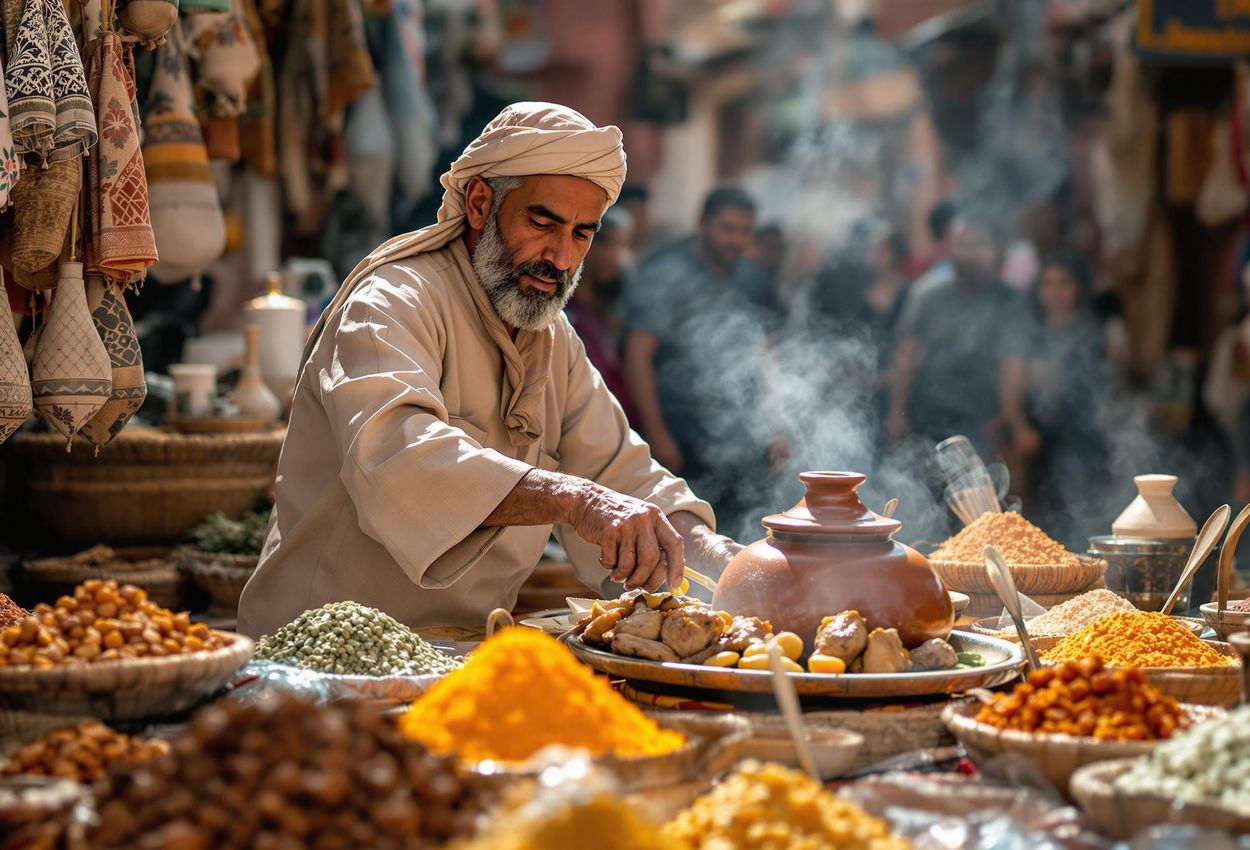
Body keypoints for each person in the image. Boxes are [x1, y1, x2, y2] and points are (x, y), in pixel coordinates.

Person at [238, 103, 742, 637]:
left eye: (582, 234)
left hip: (461, 656)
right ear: (480, 203)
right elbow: (398, 452)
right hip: (314, 653)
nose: (561, 258)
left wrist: (728, 562)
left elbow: (625, 477)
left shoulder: (554, 341)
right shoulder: (392, 300)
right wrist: (576, 500)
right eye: (542, 222)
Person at [621, 186, 778, 541]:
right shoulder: (664, 277)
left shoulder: (752, 279)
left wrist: (775, 425)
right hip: (683, 442)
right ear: (702, 224)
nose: (735, 240)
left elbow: (765, 354)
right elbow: (637, 355)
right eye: (727, 228)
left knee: (748, 538)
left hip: (743, 441)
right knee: (691, 540)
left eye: (744, 231)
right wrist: (658, 435)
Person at [885, 213, 1029, 457]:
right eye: (962, 244)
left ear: (996, 249)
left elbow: (1011, 363)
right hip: (926, 412)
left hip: (981, 419)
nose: (969, 254)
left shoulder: (1009, 301)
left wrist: (1009, 418)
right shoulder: (926, 294)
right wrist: (895, 413)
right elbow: (906, 355)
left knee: (976, 492)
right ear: (949, 248)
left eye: (978, 244)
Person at [1003, 252, 1109, 548]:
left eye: (1064, 283)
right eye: (1048, 283)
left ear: (1078, 289)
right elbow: (1010, 385)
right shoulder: (1028, 334)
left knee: (1082, 509)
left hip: (1084, 438)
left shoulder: (1091, 332)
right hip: (1038, 439)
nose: (1056, 291)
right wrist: (1019, 426)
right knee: (1042, 515)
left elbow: (1108, 389)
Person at [565, 206, 638, 425]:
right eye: (608, 244)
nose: (615, 256)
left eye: (621, 246)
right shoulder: (565, 312)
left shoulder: (611, 307)